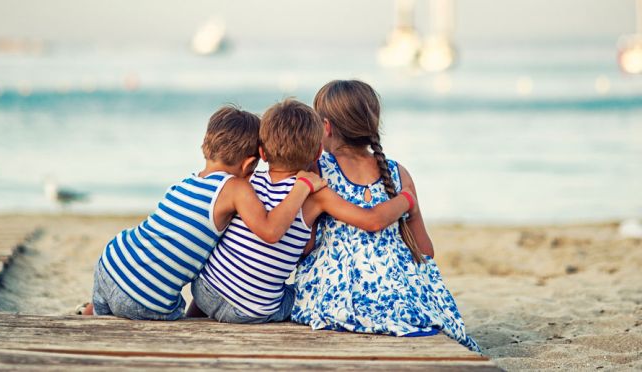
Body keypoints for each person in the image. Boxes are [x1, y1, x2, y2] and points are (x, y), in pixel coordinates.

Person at [81, 105, 326, 320]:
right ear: (250, 163)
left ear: (206, 146)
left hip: (110, 262)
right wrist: (302, 186)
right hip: (144, 299)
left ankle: (94, 310)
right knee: (173, 308)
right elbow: (270, 231)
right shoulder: (236, 189)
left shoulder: (184, 183)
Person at [291, 80, 480, 352]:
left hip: (337, 292)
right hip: (402, 289)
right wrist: (407, 206)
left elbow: (305, 246)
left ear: (326, 127)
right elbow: (425, 251)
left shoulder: (317, 172)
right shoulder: (398, 172)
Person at [188, 99, 416, 324]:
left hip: (205, 292)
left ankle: (192, 318)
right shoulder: (314, 194)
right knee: (299, 295)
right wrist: (406, 198)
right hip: (252, 311)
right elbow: (372, 220)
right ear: (318, 153)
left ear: (262, 154)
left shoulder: (245, 183)